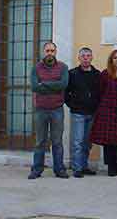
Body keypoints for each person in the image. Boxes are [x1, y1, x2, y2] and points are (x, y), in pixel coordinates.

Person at [90, 49, 117, 177]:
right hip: (107, 110)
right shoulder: (105, 74)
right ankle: (111, 167)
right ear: (111, 60)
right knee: (109, 139)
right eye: (115, 58)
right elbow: (100, 91)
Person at [28, 42, 69, 180]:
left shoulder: (63, 67)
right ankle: (36, 169)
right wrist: (54, 86)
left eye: (52, 50)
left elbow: (63, 84)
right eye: (47, 51)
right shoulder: (36, 68)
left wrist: (43, 84)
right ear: (43, 52)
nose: (50, 53)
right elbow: (34, 87)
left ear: (55, 52)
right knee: (40, 141)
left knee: (57, 141)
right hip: (41, 110)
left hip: (57, 109)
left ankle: (59, 169)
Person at [65, 47, 101, 178]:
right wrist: (72, 105)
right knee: (77, 142)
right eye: (83, 56)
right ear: (79, 58)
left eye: (88, 56)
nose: (86, 58)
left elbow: (100, 92)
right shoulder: (72, 74)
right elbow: (65, 92)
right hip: (78, 113)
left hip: (92, 113)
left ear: (92, 58)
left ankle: (84, 166)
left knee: (87, 143)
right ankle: (77, 168)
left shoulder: (97, 74)